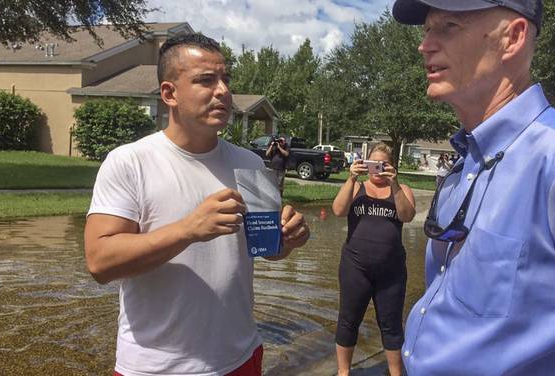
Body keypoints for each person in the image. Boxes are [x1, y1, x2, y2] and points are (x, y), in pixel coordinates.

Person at [392, 0, 555, 374]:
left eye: (448, 27)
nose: (425, 45)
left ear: (512, 38)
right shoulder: (465, 162)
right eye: (426, 29)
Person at [83, 33, 310, 376]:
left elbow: (267, 249)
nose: (223, 91)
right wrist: (188, 230)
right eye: (206, 80)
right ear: (169, 94)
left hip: (240, 357)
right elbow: (100, 262)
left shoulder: (249, 163)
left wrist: (288, 238)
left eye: (225, 79)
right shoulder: (129, 162)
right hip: (155, 367)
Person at [331, 143, 416, 376]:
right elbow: (338, 210)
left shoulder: (403, 189)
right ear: (365, 165)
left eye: (383, 165)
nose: (377, 170)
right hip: (355, 267)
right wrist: (350, 179)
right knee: (348, 320)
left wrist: (394, 184)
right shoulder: (356, 187)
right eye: (373, 164)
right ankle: (343, 372)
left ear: (391, 167)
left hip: (391, 270)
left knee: (391, 323)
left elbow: (407, 216)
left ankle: (396, 373)